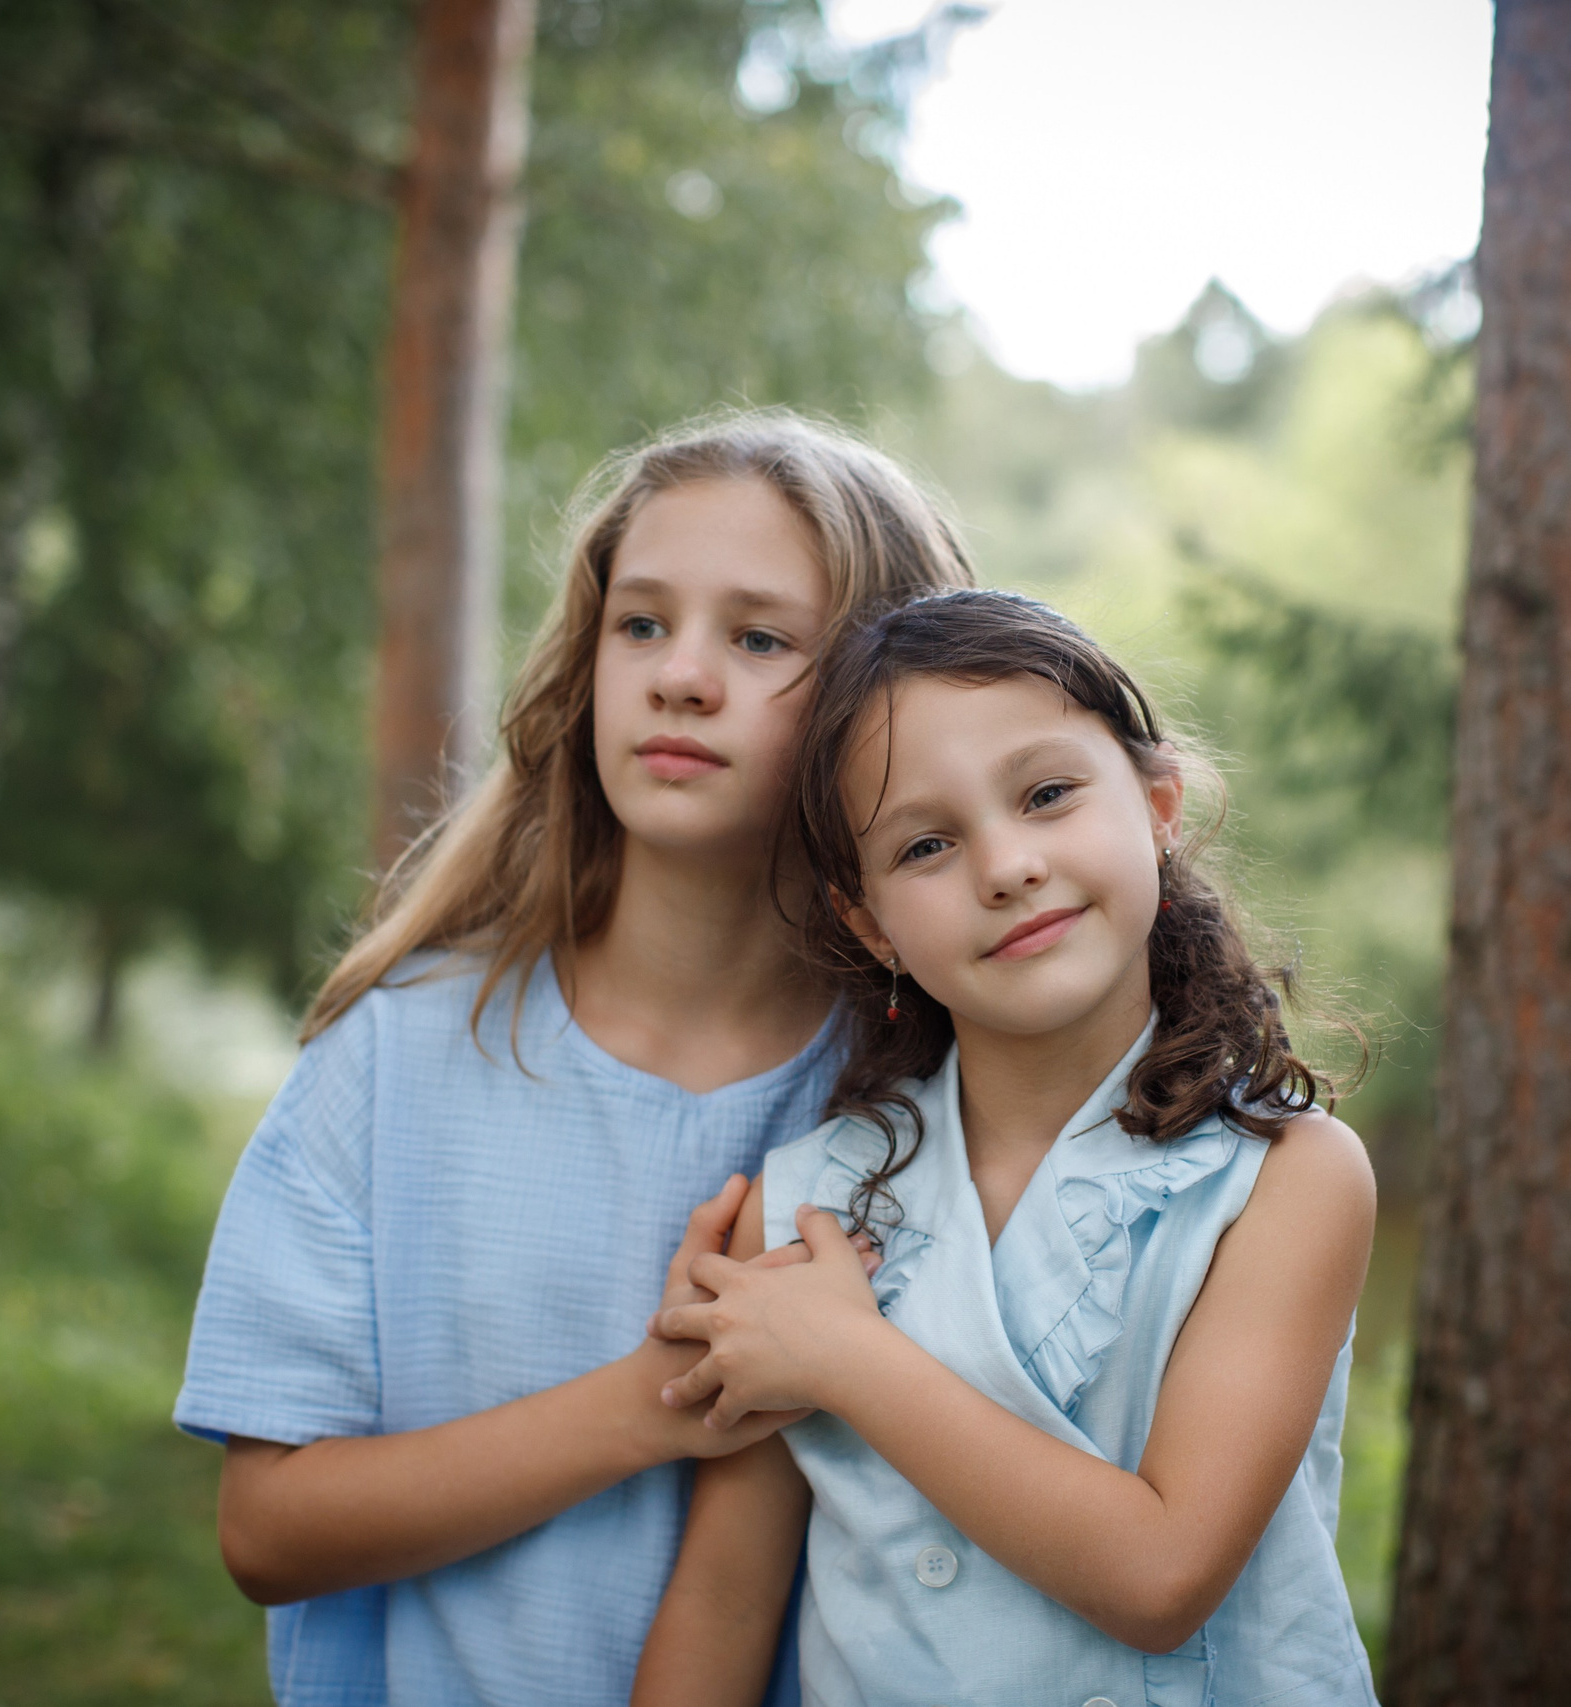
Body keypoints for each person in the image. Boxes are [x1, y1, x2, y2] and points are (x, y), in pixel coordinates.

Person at [172, 411, 975, 1705]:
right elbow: (268, 1531)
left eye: (760, 638)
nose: (681, 676)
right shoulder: (398, 1053)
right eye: (641, 623)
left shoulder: (927, 1098)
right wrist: (651, 1402)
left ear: (881, 703)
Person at [632, 588, 1383, 1706]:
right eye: (926, 844)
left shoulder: (1286, 1176)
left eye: (1045, 795)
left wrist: (849, 1359)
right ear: (871, 924)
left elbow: (1162, 1576)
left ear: (1160, 805)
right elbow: (725, 1606)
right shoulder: (805, 1209)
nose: (1004, 865)